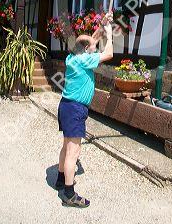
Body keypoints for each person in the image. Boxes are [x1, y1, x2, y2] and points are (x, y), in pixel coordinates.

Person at [55, 16, 113, 208]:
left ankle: (61, 180)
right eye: (92, 47)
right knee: (74, 152)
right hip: (76, 109)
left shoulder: (72, 57)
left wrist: (103, 24)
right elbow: (109, 53)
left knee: (66, 147)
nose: (95, 48)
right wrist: (110, 34)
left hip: (65, 105)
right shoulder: (85, 60)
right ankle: (69, 195)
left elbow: (91, 40)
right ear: (86, 51)